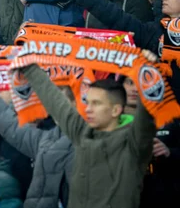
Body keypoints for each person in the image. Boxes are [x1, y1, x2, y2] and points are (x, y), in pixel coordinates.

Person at [19, 62, 155, 208]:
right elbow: (55, 101)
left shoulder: (133, 144)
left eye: (96, 103)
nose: (88, 109)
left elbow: (146, 118)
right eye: (87, 102)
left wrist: (149, 75)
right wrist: (28, 66)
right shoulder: (82, 133)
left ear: (116, 110)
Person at [0, 90, 75, 208]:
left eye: (61, 103)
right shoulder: (47, 139)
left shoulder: (94, 140)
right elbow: (10, 124)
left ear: (77, 104)